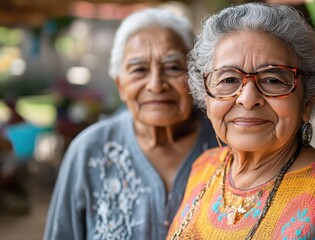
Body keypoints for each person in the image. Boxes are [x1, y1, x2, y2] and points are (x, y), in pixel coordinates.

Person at [167, 3, 315, 239]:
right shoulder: (204, 168)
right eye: (229, 79)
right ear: (206, 97)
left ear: (307, 100)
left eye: (272, 80)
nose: (248, 99)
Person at [44, 8, 217, 240]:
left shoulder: (223, 143)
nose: (156, 85)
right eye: (139, 70)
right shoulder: (88, 151)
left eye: (173, 67)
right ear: (121, 86)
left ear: (194, 77)